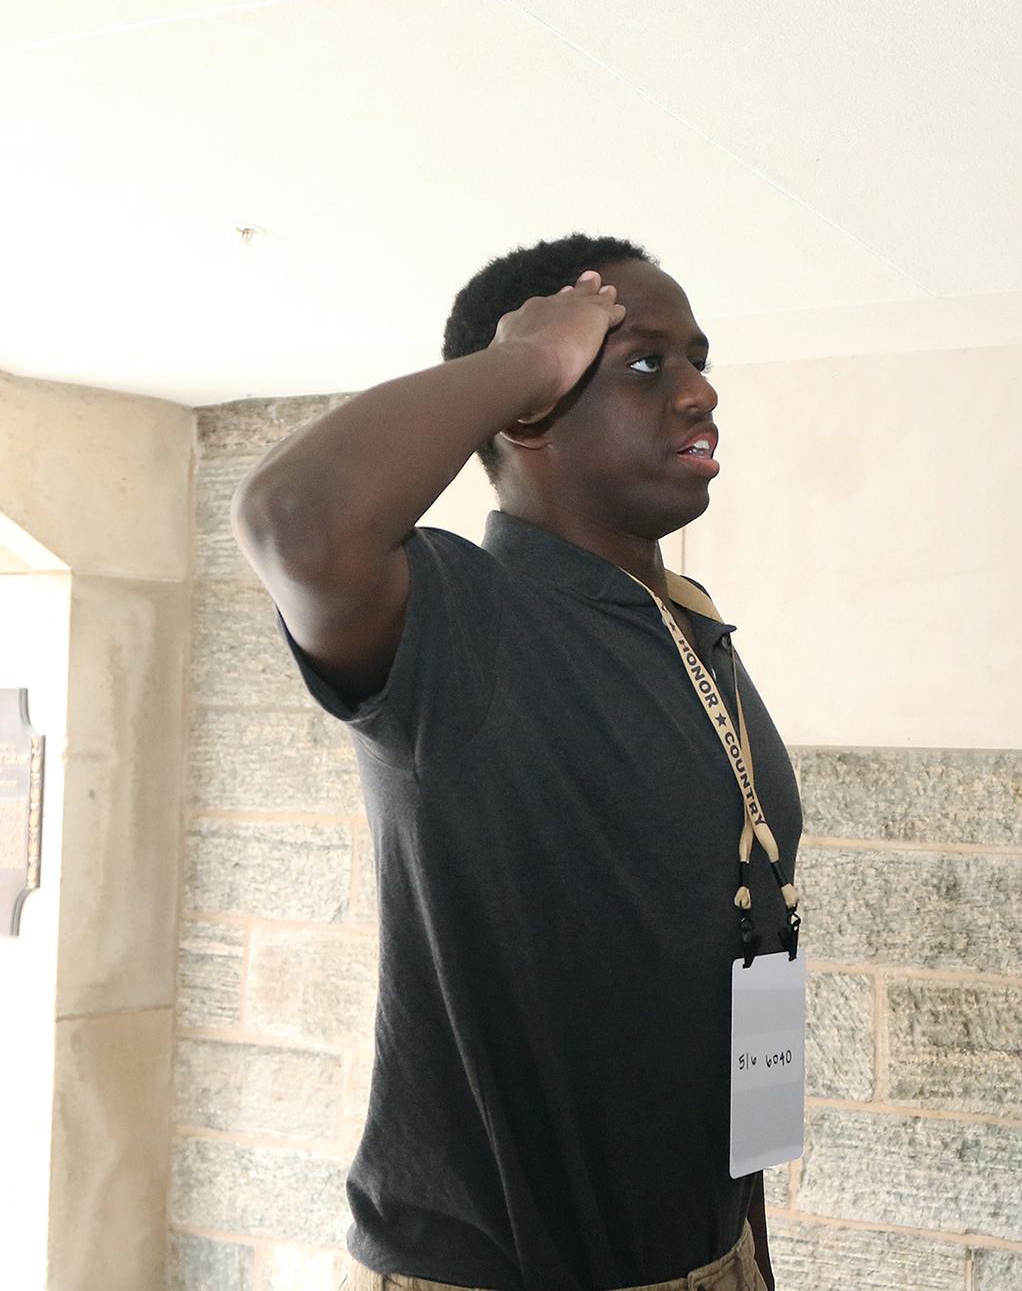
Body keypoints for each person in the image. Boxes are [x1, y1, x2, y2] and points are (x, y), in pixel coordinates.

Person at [233, 235, 797, 1291]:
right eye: (644, 362)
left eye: (698, 357)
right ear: (528, 413)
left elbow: (744, 966)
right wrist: (525, 359)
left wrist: (750, 1251)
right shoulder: (462, 620)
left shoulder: (691, 636)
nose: (700, 389)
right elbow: (292, 519)